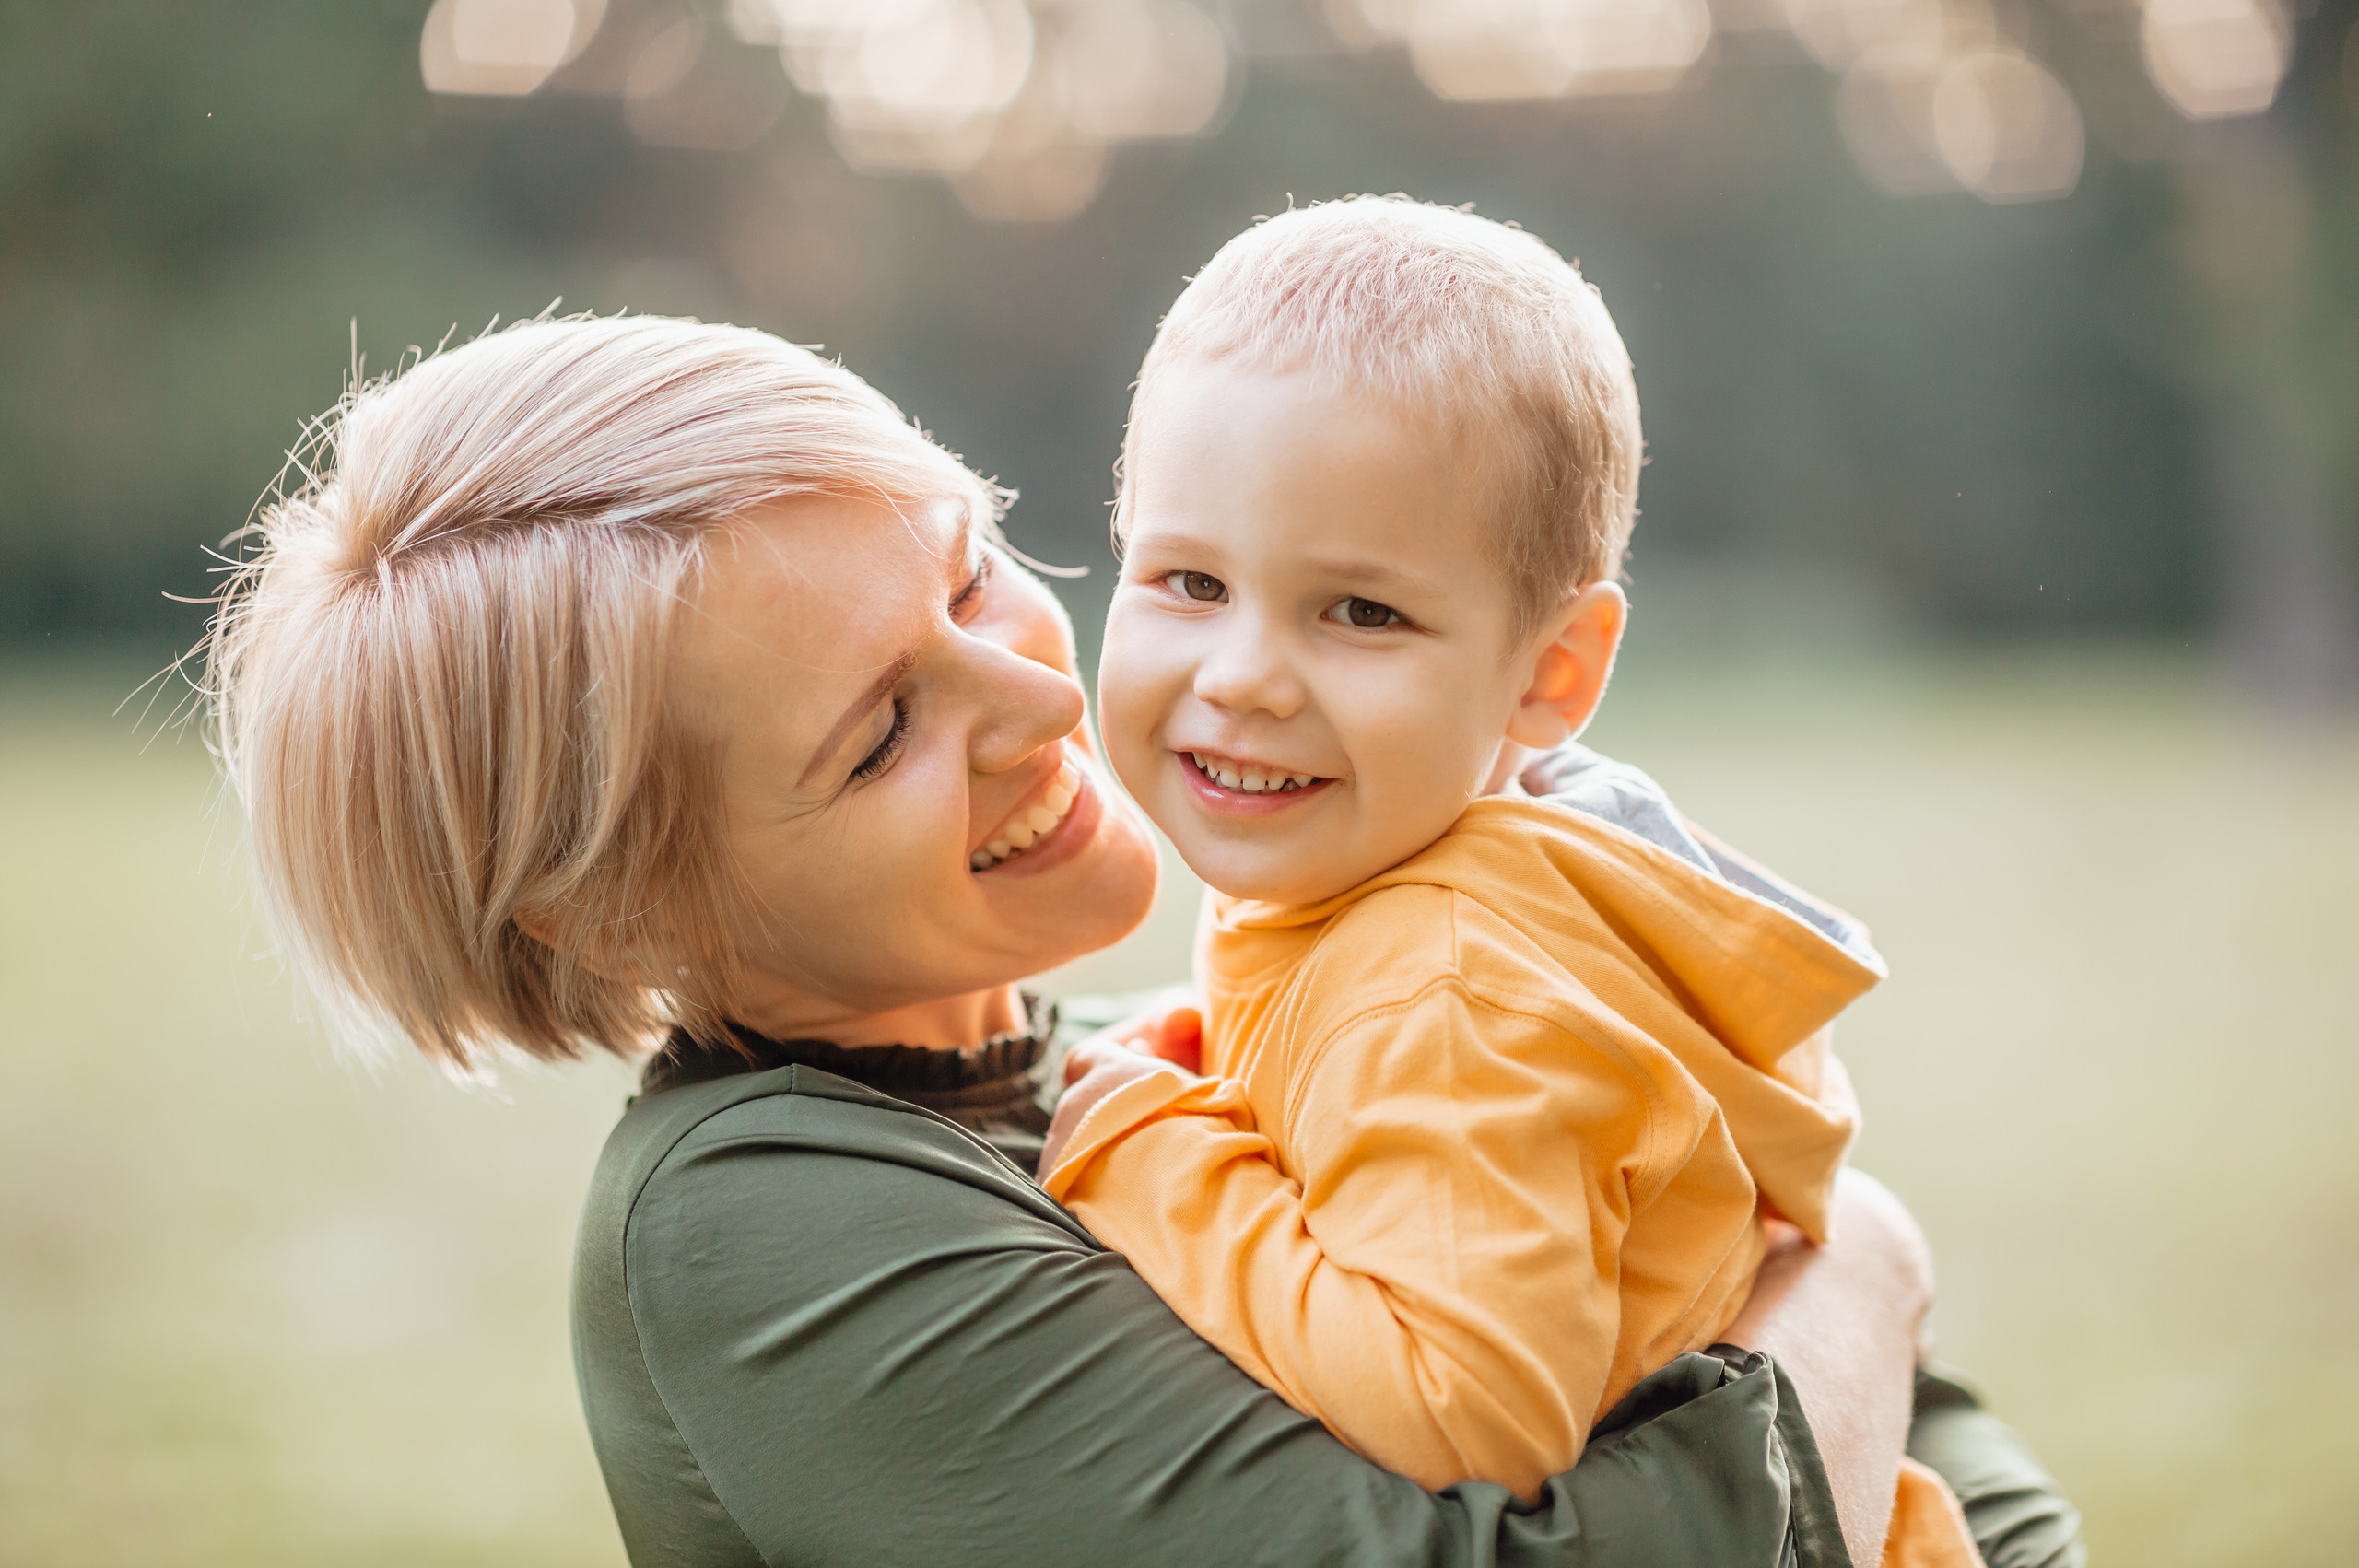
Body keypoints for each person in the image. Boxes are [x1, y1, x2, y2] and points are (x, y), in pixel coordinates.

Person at [200, 311, 2083, 1567]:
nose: (1024, 692)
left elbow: (1904, 1436)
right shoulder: (755, 1216)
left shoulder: (1146, 1044)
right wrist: (1858, 1267)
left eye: (967, 567)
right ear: (616, 901)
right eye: (877, 732)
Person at [1041, 196, 1969, 1564]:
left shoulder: (1456, 989)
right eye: (1186, 580)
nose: (1239, 674)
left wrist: (1161, 1156)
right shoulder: (1449, 883)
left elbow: (1470, 1415)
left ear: (1553, 673)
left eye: (1362, 612)